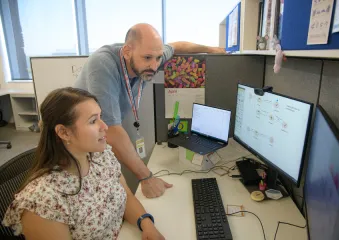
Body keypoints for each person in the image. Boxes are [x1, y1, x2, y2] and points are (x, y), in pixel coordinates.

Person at [74, 23, 226, 198]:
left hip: (99, 140)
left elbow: (176, 46)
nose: (154, 66)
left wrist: (210, 49)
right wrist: (146, 177)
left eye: (158, 58)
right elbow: (112, 131)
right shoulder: (103, 64)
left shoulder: (150, 57)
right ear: (127, 52)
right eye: (147, 58)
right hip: (77, 144)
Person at [2, 87, 165, 240]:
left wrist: (146, 224)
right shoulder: (42, 201)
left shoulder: (102, 156)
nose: (105, 126)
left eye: (100, 117)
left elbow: (126, 196)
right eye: (93, 121)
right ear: (64, 132)